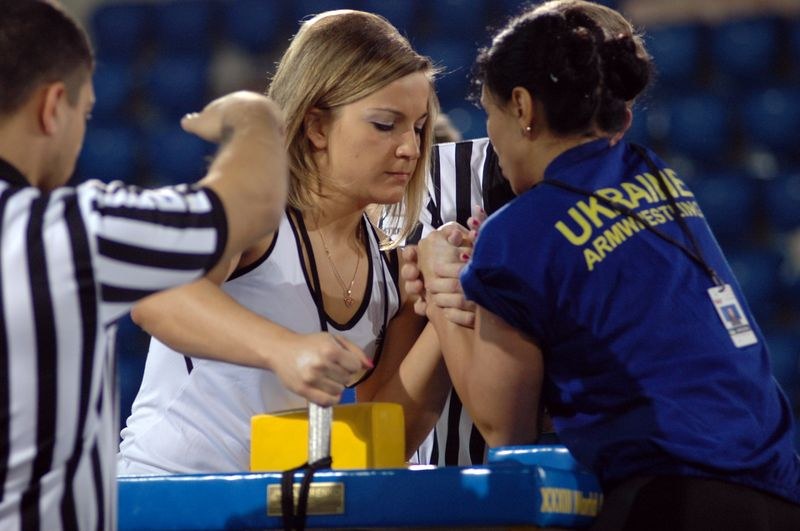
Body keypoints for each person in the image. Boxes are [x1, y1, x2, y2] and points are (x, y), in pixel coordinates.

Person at [409, 0, 800, 528]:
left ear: (522, 108)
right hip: (777, 487)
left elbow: (506, 427)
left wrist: (439, 280)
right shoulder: (656, 175)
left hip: (677, 498)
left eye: (490, 112)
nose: (491, 139)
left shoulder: (518, 232)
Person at [117, 10, 450, 475]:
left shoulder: (393, 268)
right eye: (384, 124)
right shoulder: (249, 208)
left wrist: (447, 307)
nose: (410, 149)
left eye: (417, 127)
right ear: (316, 126)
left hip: (277, 508)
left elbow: (385, 435)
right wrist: (284, 349)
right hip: (167, 495)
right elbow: (154, 298)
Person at [0, 1, 289, 528]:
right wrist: (254, 115)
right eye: (85, 114)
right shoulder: (72, 229)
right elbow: (252, 202)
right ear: (52, 107)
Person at [407, 0, 642, 467]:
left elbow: (507, 425)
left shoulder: (629, 202)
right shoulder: (430, 177)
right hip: (453, 478)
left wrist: (449, 289)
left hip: (597, 474)